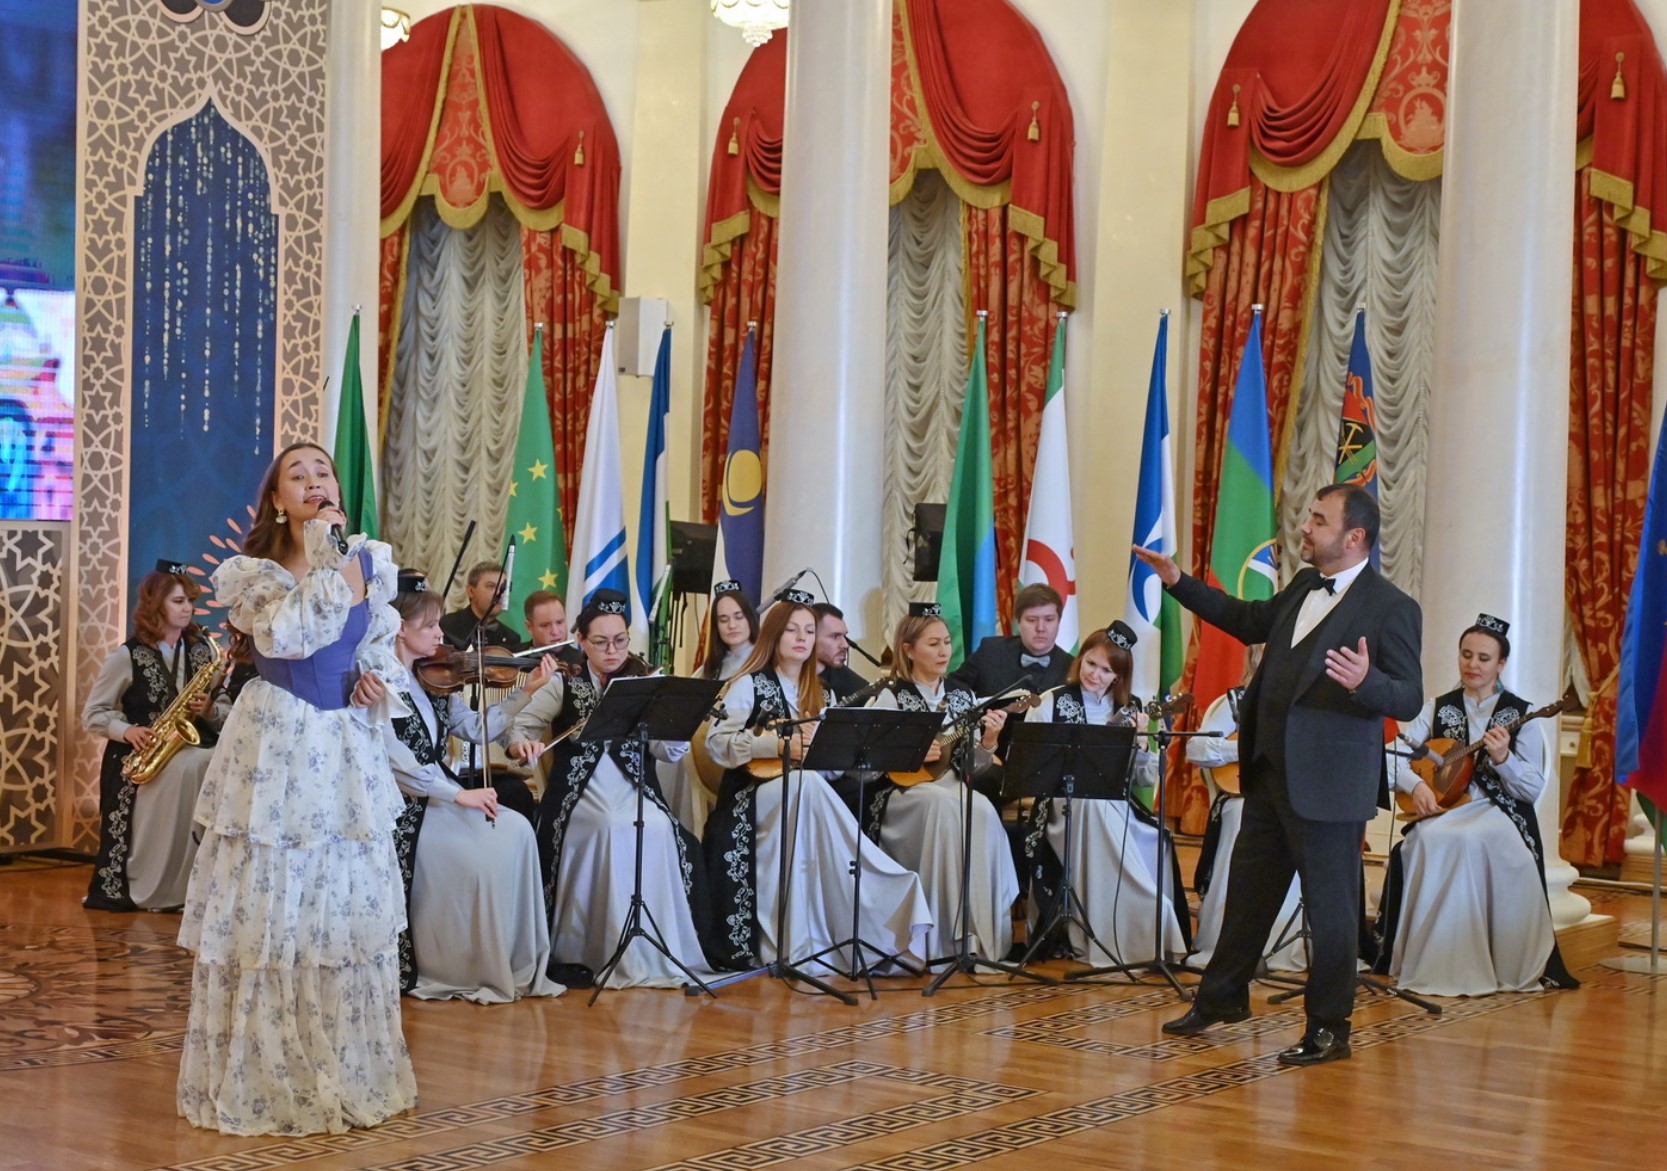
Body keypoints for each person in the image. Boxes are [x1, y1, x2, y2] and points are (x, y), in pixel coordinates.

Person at [1137, 482, 1422, 1068]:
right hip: (1269, 773)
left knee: (1332, 914)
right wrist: (1178, 581)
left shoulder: (1392, 607)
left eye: (1318, 520)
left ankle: (1329, 1028)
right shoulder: (1303, 585)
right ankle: (1222, 998)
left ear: (1355, 537)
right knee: (1248, 898)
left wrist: (1365, 682)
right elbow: (1247, 620)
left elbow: (1409, 696)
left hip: (1330, 785)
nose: (1304, 528)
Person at [177, 441, 417, 1134]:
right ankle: (268, 1077)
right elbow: (288, 638)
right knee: (274, 904)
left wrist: (375, 684)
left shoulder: (367, 559)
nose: (315, 481)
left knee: (339, 902)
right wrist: (324, 557)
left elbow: (377, 649)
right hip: (280, 742)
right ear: (278, 500)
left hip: (343, 746)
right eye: (298, 475)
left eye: (323, 472)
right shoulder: (252, 574)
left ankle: (342, 1067)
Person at [701, 591, 931, 972]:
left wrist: (848, 753)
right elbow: (716, 743)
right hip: (749, 798)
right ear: (774, 634)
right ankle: (860, 883)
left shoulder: (821, 693)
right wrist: (776, 744)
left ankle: (847, 921)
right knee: (807, 787)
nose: (802, 638)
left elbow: (827, 768)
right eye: (792, 630)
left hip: (803, 794)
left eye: (809, 631)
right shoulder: (750, 684)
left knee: (810, 786)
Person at [509, 589, 719, 987]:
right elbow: (522, 725)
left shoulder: (643, 681)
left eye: (620, 640)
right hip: (580, 793)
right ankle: (599, 948)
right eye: (601, 642)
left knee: (659, 828)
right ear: (581, 641)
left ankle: (654, 948)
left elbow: (664, 752)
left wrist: (677, 724)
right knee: (609, 827)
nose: (612, 651)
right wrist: (522, 744)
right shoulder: (564, 682)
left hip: (635, 788)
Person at [383, 570, 564, 1004]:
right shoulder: (380, 684)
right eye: (430, 625)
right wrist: (459, 795)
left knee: (517, 830)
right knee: (482, 855)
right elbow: (397, 764)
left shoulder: (432, 679)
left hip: (440, 794)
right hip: (404, 807)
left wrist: (527, 690)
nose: (440, 634)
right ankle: (462, 964)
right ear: (400, 629)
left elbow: (477, 729)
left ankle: (511, 958)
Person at [1375, 614, 1578, 996]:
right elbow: (1391, 755)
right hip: (1447, 808)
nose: (1473, 664)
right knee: (1425, 839)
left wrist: (1505, 759)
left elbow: (1531, 789)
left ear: (1501, 664)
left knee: (1464, 840)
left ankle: (1470, 962)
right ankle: (1430, 961)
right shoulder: (1437, 706)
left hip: (1500, 811)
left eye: (1484, 658)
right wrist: (1417, 785)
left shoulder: (1522, 713)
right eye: (1466, 655)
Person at [1020, 621, 1189, 965]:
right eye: (1090, 663)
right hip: (1062, 806)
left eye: (1106, 670)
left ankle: (1139, 929)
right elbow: (1030, 764)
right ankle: (1114, 921)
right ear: (1080, 659)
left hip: (1116, 805)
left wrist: (1141, 742)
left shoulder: (1132, 708)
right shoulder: (1052, 701)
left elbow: (1143, 779)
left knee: (1157, 839)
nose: (1094, 674)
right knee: (1092, 809)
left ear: (1119, 676)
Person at [863, 602, 1018, 964]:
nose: (944, 651)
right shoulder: (890, 695)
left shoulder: (963, 697)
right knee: (944, 805)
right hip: (903, 791)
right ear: (908, 649)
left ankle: (979, 936)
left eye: (946, 642)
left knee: (981, 809)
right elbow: (866, 765)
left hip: (951, 784)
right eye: (933, 644)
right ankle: (939, 938)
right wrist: (908, 752)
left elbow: (974, 768)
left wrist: (989, 741)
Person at [83, 560, 227, 912]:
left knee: (208, 761)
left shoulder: (204, 651)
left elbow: (224, 705)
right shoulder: (126, 655)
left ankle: (197, 885)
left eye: (190, 600)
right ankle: (160, 886)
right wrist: (128, 730)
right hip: (139, 758)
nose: (187, 608)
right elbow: (93, 714)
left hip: (189, 747)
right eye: (178, 601)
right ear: (155, 604)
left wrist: (209, 710)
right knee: (197, 764)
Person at [1186, 645, 1307, 972]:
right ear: (1253, 657)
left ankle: (1282, 942)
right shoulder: (1236, 702)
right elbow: (1196, 748)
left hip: (1290, 798)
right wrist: (1243, 748)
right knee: (1245, 817)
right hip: (1242, 798)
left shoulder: (1304, 704)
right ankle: (1233, 945)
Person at [949, 583, 1073, 697]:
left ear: (1059, 622)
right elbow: (952, 686)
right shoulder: (990, 651)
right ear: (1018, 622)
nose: (1040, 628)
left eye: (1049, 620)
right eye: (1032, 620)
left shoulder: (1072, 667)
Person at [440, 560, 526, 652]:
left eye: (503, 588)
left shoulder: (512, 638)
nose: (499, 593)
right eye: (491, 586)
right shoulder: (446, 626)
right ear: (471, 591)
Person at [699, 579, 758, 681]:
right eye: (724, 620)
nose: (732, 625)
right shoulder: (711, 666)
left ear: (750, 619)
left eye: (738, 617)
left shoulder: (764, 660)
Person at [813, 602, 869, 698]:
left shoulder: (857, 688)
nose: (845, 645)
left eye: (844, 636)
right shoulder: (788, 679)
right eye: (835, 636)